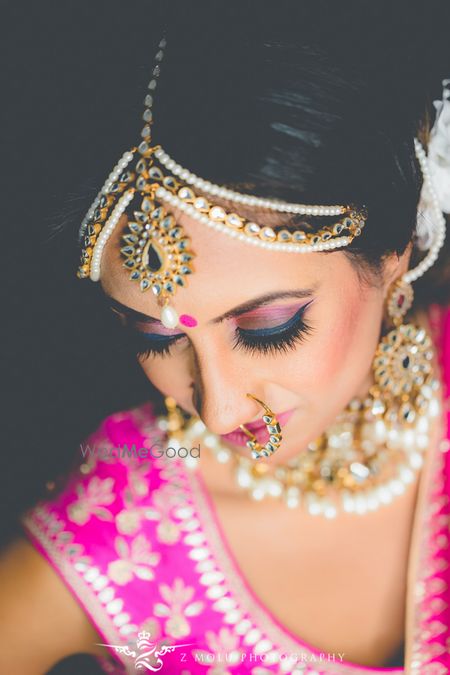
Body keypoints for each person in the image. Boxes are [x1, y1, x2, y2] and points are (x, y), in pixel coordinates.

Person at [1, 3, 450, 673]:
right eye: (158, 337)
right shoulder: (122, 532)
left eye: (269, 327)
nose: (217, 410)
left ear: (395, 253)